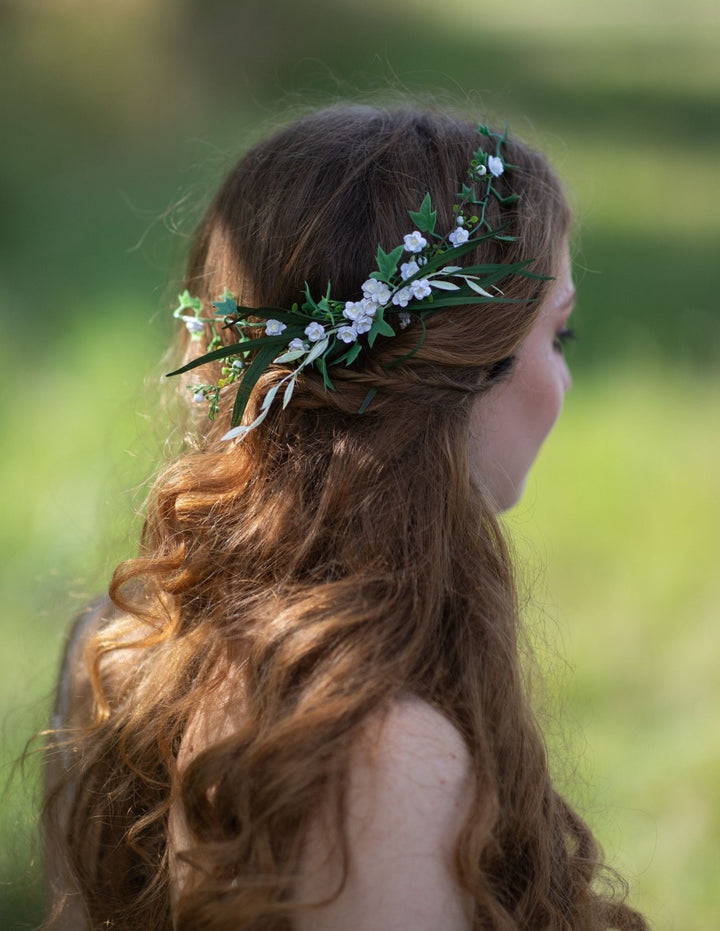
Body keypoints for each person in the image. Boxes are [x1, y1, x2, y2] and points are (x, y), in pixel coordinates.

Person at [43, 104, 648, 930]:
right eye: (560, 336)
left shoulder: (114, 647)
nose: (565, 379)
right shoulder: (380, 758)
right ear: (460, 370)